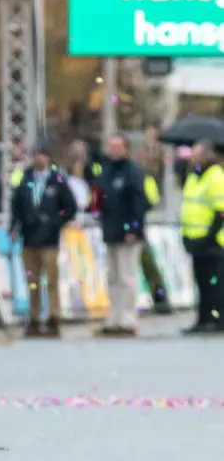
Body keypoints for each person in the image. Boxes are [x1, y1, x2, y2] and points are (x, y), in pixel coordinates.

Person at [10, 142, 77, 338]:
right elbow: (16, 207)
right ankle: (33, 316)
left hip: (49, 239)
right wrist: (15, 227)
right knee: (32, 279)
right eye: (35, 155)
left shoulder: (58, 181)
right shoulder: (24, 179)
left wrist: (56, 221)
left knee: (51, 279)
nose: (38, 159)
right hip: (29, 238)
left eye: (42, 155)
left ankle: (53, 315)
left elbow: (70, 207)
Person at [94, 133, 149, 337]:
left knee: (127, 277)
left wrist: (133, 229)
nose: (113, 150)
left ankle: (128, 317)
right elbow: (101, 200)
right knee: (113, 277)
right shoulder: (105, 172)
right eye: (111, 146)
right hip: (110, 231)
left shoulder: (133, 172)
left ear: (125, 149)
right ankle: (114, 316)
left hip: (127, 233)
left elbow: (139, 203)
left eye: (117, 146)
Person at [179, 139, 224, 334]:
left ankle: (216, 319)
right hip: (194, 239)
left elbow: (221, 211)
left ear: (206, 156)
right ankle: (203, 319)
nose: (191, 159)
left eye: (195, 155)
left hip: (213, 241)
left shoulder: (215, 176)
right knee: (201, 283)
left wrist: (210, 236)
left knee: (215, 284)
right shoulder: (193, 177)